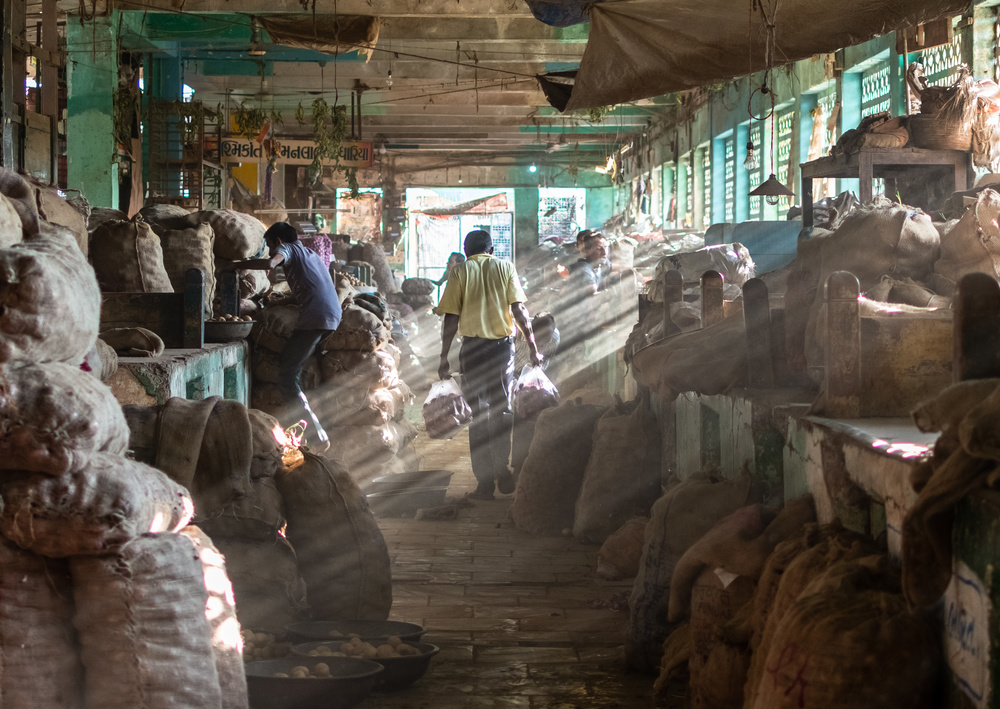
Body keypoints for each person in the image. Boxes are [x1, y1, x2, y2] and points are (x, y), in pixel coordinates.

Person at [437, 230, 542, 500]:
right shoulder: (505, 267)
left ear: (466, 250)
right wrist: (533, 348)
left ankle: (484, 484)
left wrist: (443, 357)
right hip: (501, 351)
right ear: (492, 250)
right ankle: (501, 467)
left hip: (471, 350)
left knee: (477, 415)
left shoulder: (459, 272)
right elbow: (519, 310)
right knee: (501, 410)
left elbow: (450, 318)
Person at [224, 221, 342, 451]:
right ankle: (314, 427)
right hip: (331, 315)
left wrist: (237, 265)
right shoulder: (309, 252)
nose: (270, 250)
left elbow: (270, 262)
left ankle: (316, 434)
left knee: (287, 374)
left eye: (269, 245)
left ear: (278, 241)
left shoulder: (286, 249)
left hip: (316, 317)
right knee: (296, 368)